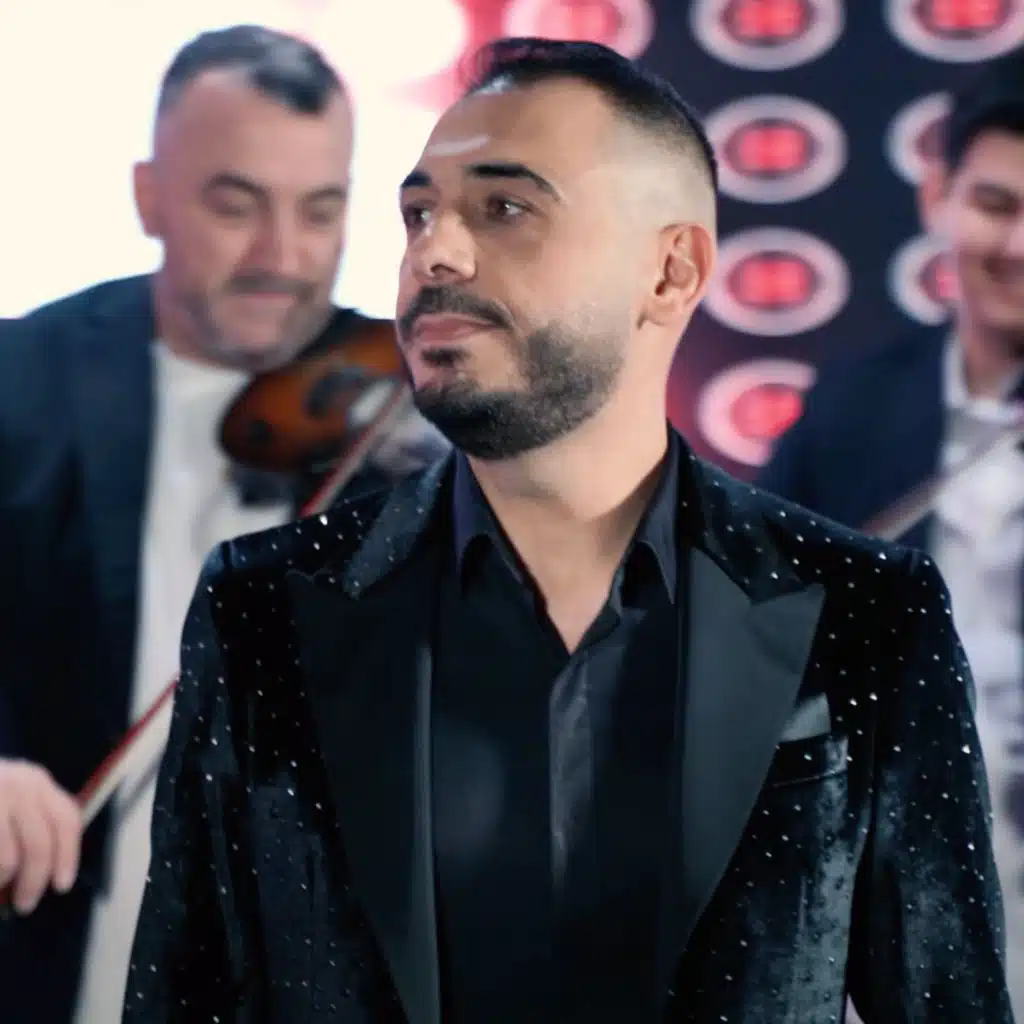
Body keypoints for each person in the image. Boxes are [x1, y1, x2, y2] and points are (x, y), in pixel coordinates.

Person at [124, 37, 1012, 1023]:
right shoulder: (261, 605)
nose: (434, 252)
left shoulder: (870, 610)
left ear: (671, 271)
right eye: (419, 213)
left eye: (504, 208)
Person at [0, 24, 446, 1024]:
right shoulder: (19, 383)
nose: (282, 258)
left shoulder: (412, 422)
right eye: (236, 206)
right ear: (149, 197)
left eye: (320, 210)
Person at [757, 44, 1024, 1020]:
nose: (1018, 245)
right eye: (994, 204)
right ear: (936, 197)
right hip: (891, 867)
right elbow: (755, 615)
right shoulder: (849, 408)